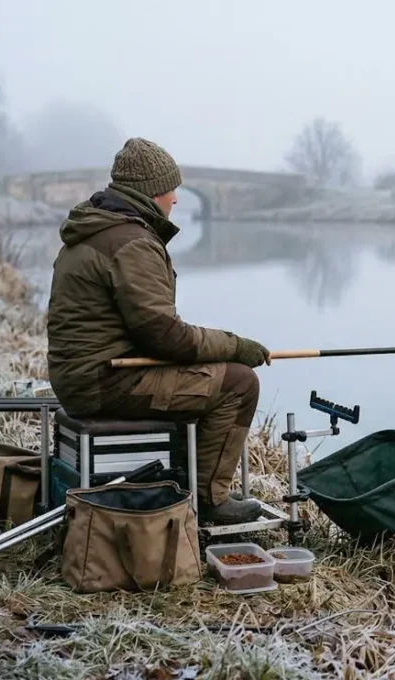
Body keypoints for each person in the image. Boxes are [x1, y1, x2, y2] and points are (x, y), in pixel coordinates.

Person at [45, 137, 272, 524]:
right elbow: (166, 336)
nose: (176, 200)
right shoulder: (131, 242)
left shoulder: (99, 229)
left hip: (84, 377)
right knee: (239, 383)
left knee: (204, 378)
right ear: (151, 193)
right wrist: (235, 346)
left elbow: (149, 330)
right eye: (171, 190)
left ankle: (181, 485)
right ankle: (211, 502)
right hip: (104, 381)